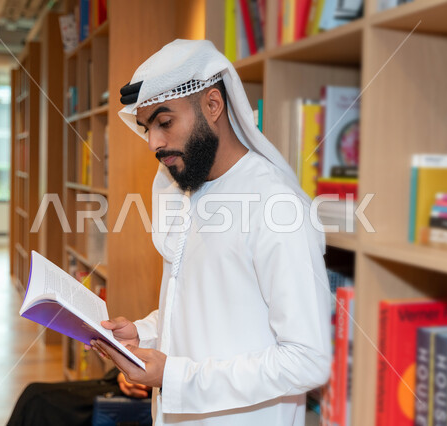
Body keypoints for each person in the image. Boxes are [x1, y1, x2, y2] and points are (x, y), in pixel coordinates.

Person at [87, 39, 332, 425]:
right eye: (147, 127)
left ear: (213, 105)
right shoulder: (186, 189)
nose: (153, 142)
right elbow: (204, 310)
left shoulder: (276, 206)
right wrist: (144, 333)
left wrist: (174, 376)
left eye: (165, 123)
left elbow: (307, 360)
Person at [6, 367, 150, 426]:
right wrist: (123, 373)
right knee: (35, 395)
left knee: (38, 401)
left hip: (142, 405)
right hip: (123, 385)